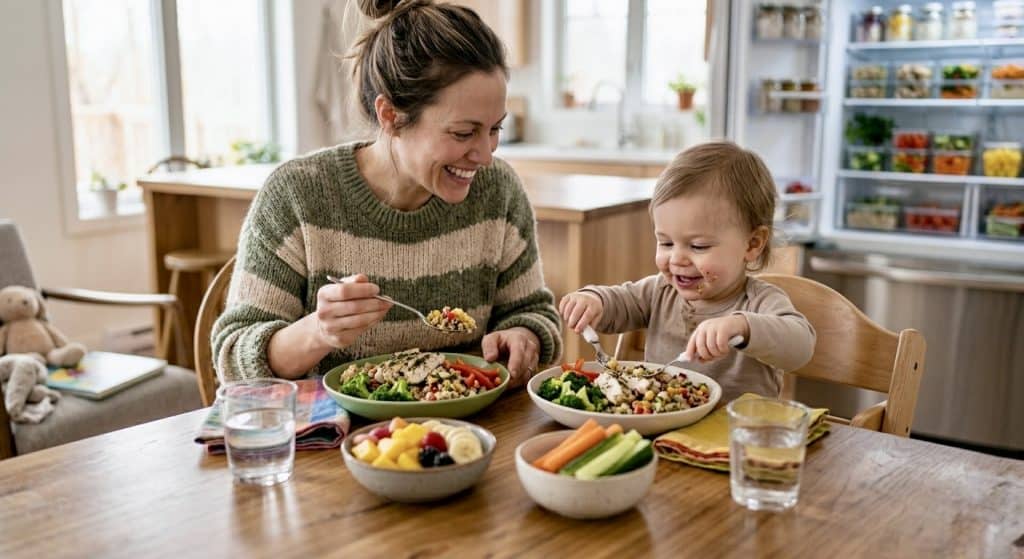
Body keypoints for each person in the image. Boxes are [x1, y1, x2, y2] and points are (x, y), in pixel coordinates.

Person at [212, 0, 561, 387]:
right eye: (464, 133)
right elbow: (233, 357)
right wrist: (318, 332)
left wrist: (523, 336)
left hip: (465, 436)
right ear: (391, 116)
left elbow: (533, 313)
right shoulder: (297, 196)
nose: (485, 155)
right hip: (334, 439)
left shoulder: (499, 193)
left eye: (494, 129)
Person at [558, 141, 815, 402]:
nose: (677, 258)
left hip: (735, 436)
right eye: (666, 243)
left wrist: (742, 327)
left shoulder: (760, 301)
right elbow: (621, 301)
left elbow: (801, 346)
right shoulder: (660, 291)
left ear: (752, 244)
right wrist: (593, 301)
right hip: (663, 430)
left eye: (698, 246)